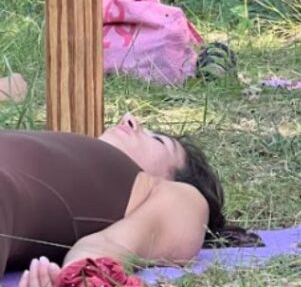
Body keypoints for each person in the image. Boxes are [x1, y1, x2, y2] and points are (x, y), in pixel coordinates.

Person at [2, 114, 226, 285]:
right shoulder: (68, 151)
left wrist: (82, 277)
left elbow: (107, 248)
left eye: (158, 140)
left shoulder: (172, 193)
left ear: (171, 179)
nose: (129, 118)